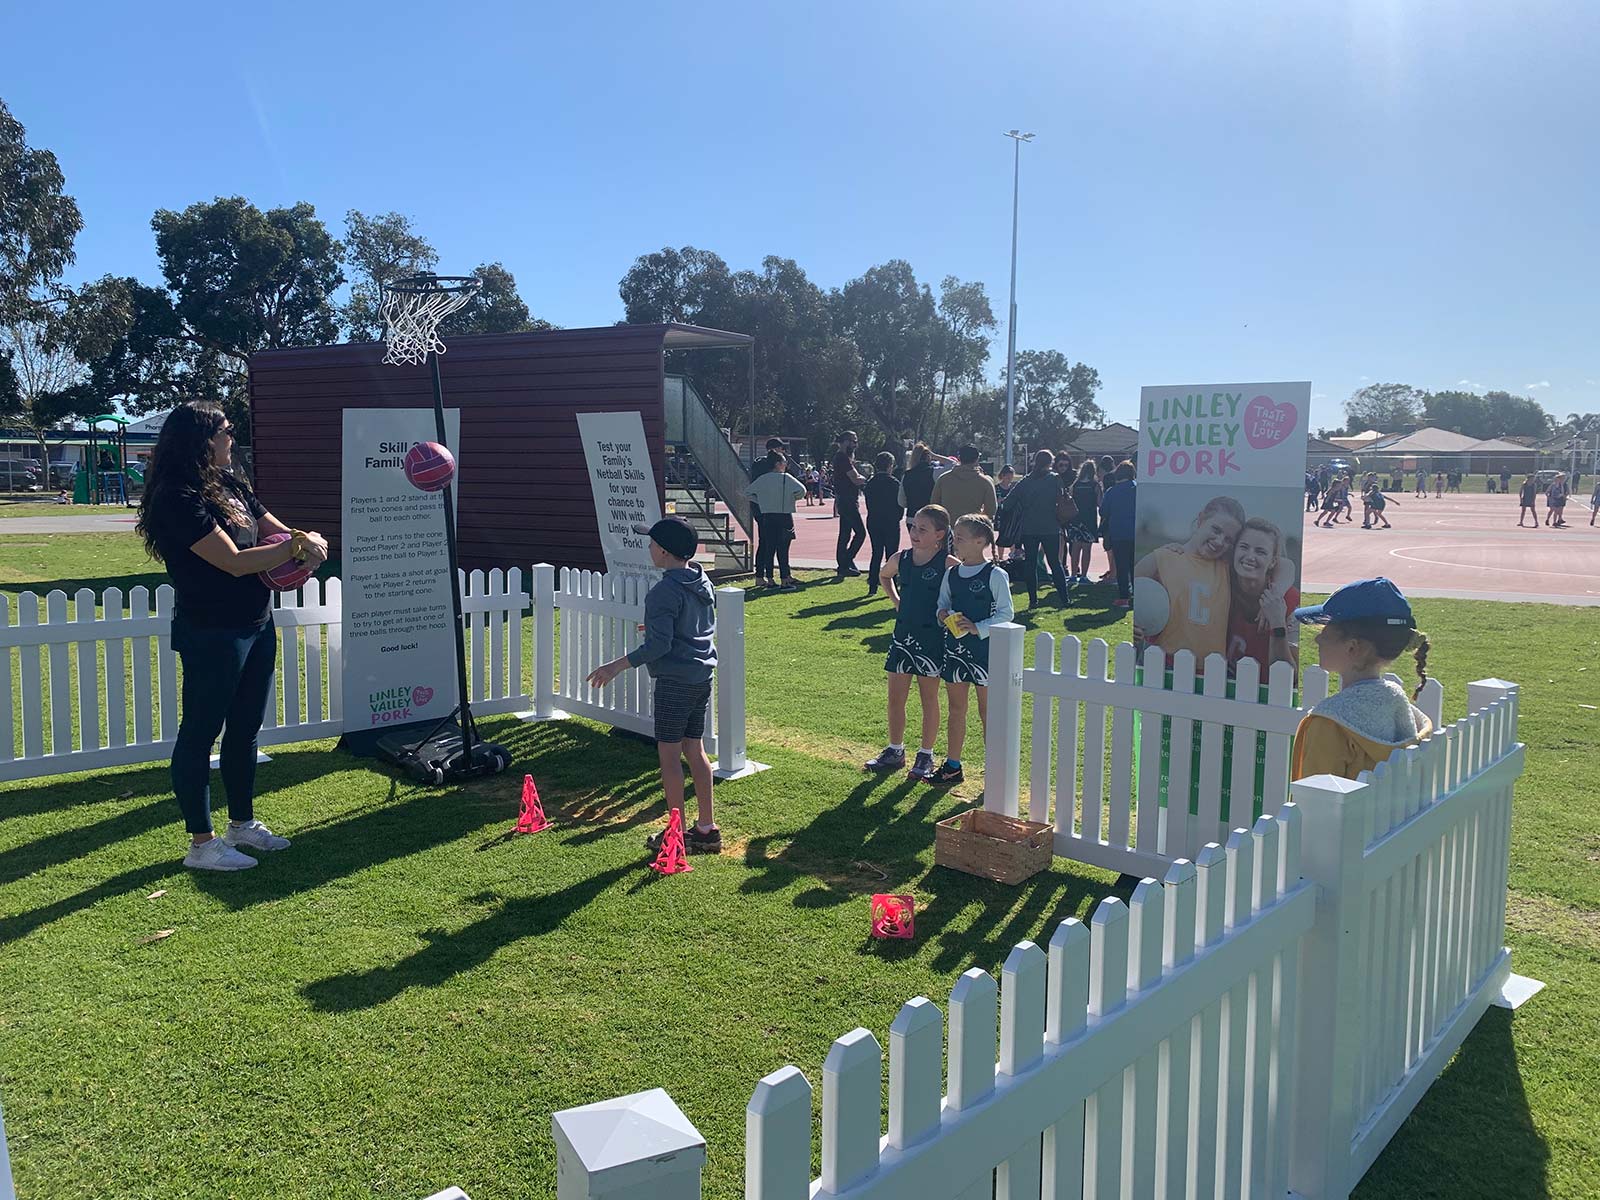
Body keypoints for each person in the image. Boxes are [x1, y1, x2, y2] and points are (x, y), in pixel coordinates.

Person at [135, 401, 328, 871]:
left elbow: (276, 530)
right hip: (211, 629)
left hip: (256, 623)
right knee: (200, 733)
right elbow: (235, 562)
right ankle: (201, 845)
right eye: (225, 430)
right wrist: (296, 546)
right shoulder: (177, 495)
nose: (231, 438)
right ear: (201, 439)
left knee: (245, 729)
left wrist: (307, 540)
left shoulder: (230, 483)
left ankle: (241, 824)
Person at [587, 518, 721, 855]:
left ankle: (676, 833)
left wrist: (614, 666)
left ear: (662, 551)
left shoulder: (663, 591)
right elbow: (687, 626)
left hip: (675, 681)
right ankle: (707, 829)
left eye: (651, 544)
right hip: (701, 676)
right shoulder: (701, 579)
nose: (648, 548)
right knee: (695, 749)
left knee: (669, 754)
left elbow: (659, 647)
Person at [1289, 578, 1434, 780]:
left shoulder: (1329, 723)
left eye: (1327, 629)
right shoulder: (1397, 704)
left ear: (1352, 647)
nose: (1318, 638)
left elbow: (1314, 795)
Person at [867, 505, 957, 779]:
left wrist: (951, 617)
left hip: (932, 640)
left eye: (922, 529)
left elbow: (963, 591)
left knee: (929, 699)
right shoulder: (901, 558)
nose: (914, 533)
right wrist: (896, 601)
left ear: (939, 534)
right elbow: (884, 575)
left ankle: (926, 755)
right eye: (913, 527)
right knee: (896, 697)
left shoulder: (948, 564)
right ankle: (895, 750)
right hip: (902, 638)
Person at [933, 514, 1014, 785]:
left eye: (960, 538)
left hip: (985, 653)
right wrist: (942, 615)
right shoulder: (951, 573)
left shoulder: (996, 574)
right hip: (955, 651)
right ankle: (952, 766)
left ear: (980, 541)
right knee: (956, 709)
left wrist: (978, 627)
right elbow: (942, 604)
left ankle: (996, 771)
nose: (954, 542)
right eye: (954, 537)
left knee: (987, 712)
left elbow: (1006, 613)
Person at [1133, 495, 1246, 660]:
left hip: (1211, 668)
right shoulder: (1163, 558)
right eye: (1216, 530)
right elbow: (1126, 595)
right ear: (1201, 520)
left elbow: (1280, 564)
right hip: (1163, 664)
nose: (1220, 541)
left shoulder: (1227, 569)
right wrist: (1132, 625)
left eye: (1229, 539)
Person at [995, 449, 1070, 606]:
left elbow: (1007, 504)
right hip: (1050, 527)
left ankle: (1033, 600)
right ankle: (1065, 599)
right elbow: (1063, 498)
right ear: (1050, 463)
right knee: (1055, 563)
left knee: (1030, 564)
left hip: (1029, 528)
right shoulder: (1055, 479)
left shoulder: (1025, 482)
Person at [1225, 517, 1299, 675]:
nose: (1250, 556)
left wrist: (1277, 623)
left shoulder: (1291, 600)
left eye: (1260, 552)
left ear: (1272, 562)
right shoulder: (1222, 586)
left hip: (1268, 689)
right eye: (1244, 547)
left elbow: (1289, 676)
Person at [743, 449, 805, 590]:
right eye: (784, 462)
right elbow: (802, 490)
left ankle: (770, 580)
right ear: (778, 464)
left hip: (768, 516)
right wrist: (792, 498)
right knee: (783, 549)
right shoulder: (786, 478)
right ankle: (784, 579)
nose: (786, 465)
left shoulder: (762, 479)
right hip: (784, 515)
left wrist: (761, 501)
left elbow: (747, 493)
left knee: (769, 548)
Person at [863, 450, 905, 595]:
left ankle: (872, 585)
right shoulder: (894, 483)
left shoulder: (870, 483)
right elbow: (900, 503)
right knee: (891, 554)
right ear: (890, 466)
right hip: (891, 521)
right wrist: (898, 516)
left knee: (876, 553)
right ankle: (892, 586)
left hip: (874, 520)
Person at [747, 436, 788, 579]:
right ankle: (761, 575)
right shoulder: (764, 464)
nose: (783, 451)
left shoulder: (760, 463)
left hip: (764, 507)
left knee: (767, 541)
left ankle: (764, 575)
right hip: (764, 508)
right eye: (781, 449)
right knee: (766, 541)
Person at [1098, 461, 1137, 607]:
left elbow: (1103, 511)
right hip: (1137, 532)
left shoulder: (1112, 491)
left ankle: (1124, 597)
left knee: (1121, 566)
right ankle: (1137, 594)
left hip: (1118, 533)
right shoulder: (1138, 489)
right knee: (1135, 566)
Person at [929, 444, 998, 524]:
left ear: (959, 458)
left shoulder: (943, 479)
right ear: (977, 459)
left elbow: (934, 505)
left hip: (947, 526)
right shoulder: (985, 482)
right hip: (973, 527)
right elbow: (991, 511)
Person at [832, 431, 868, 578]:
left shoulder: (843, 457)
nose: (855, 445)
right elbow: (855, 479)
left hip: (845, 499)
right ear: (846, 441)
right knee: (860, 533)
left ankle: (844, 564)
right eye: (854, 441)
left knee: (845, 534)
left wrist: (859, 477)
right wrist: (864, 478)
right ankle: (846, 562)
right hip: (847, 500)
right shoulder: (842, 458)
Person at [1064, 461, 1101, 583]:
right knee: (1086, 549)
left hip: (1075, 519)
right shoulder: (1094, 485)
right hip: (1089, 520)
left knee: (1075, 548)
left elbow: (1069, 499)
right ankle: (1084, 576)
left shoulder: (1076, 484)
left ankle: (1074, 575)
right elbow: (1100, 503)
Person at [897, 443, 942, 523]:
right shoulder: (933, 472)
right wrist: (935, 455)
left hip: (912, 517)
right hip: (930, 518)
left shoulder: (906, 475)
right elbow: (953, 464)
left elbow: (901, 502)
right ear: (928, 457)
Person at [993, 464, 1018, 562]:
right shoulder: (996, 488)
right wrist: (999, 501)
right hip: (1001, 515)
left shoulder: (1014, 488)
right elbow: (994, 501)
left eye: (1011, 477)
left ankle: (1013, 554)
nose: (1009, 479)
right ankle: (1000, 557)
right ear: (1002, 476)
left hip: (1012, 515)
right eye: (1007, 476)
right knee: (1002, 535)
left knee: (1013, 535)